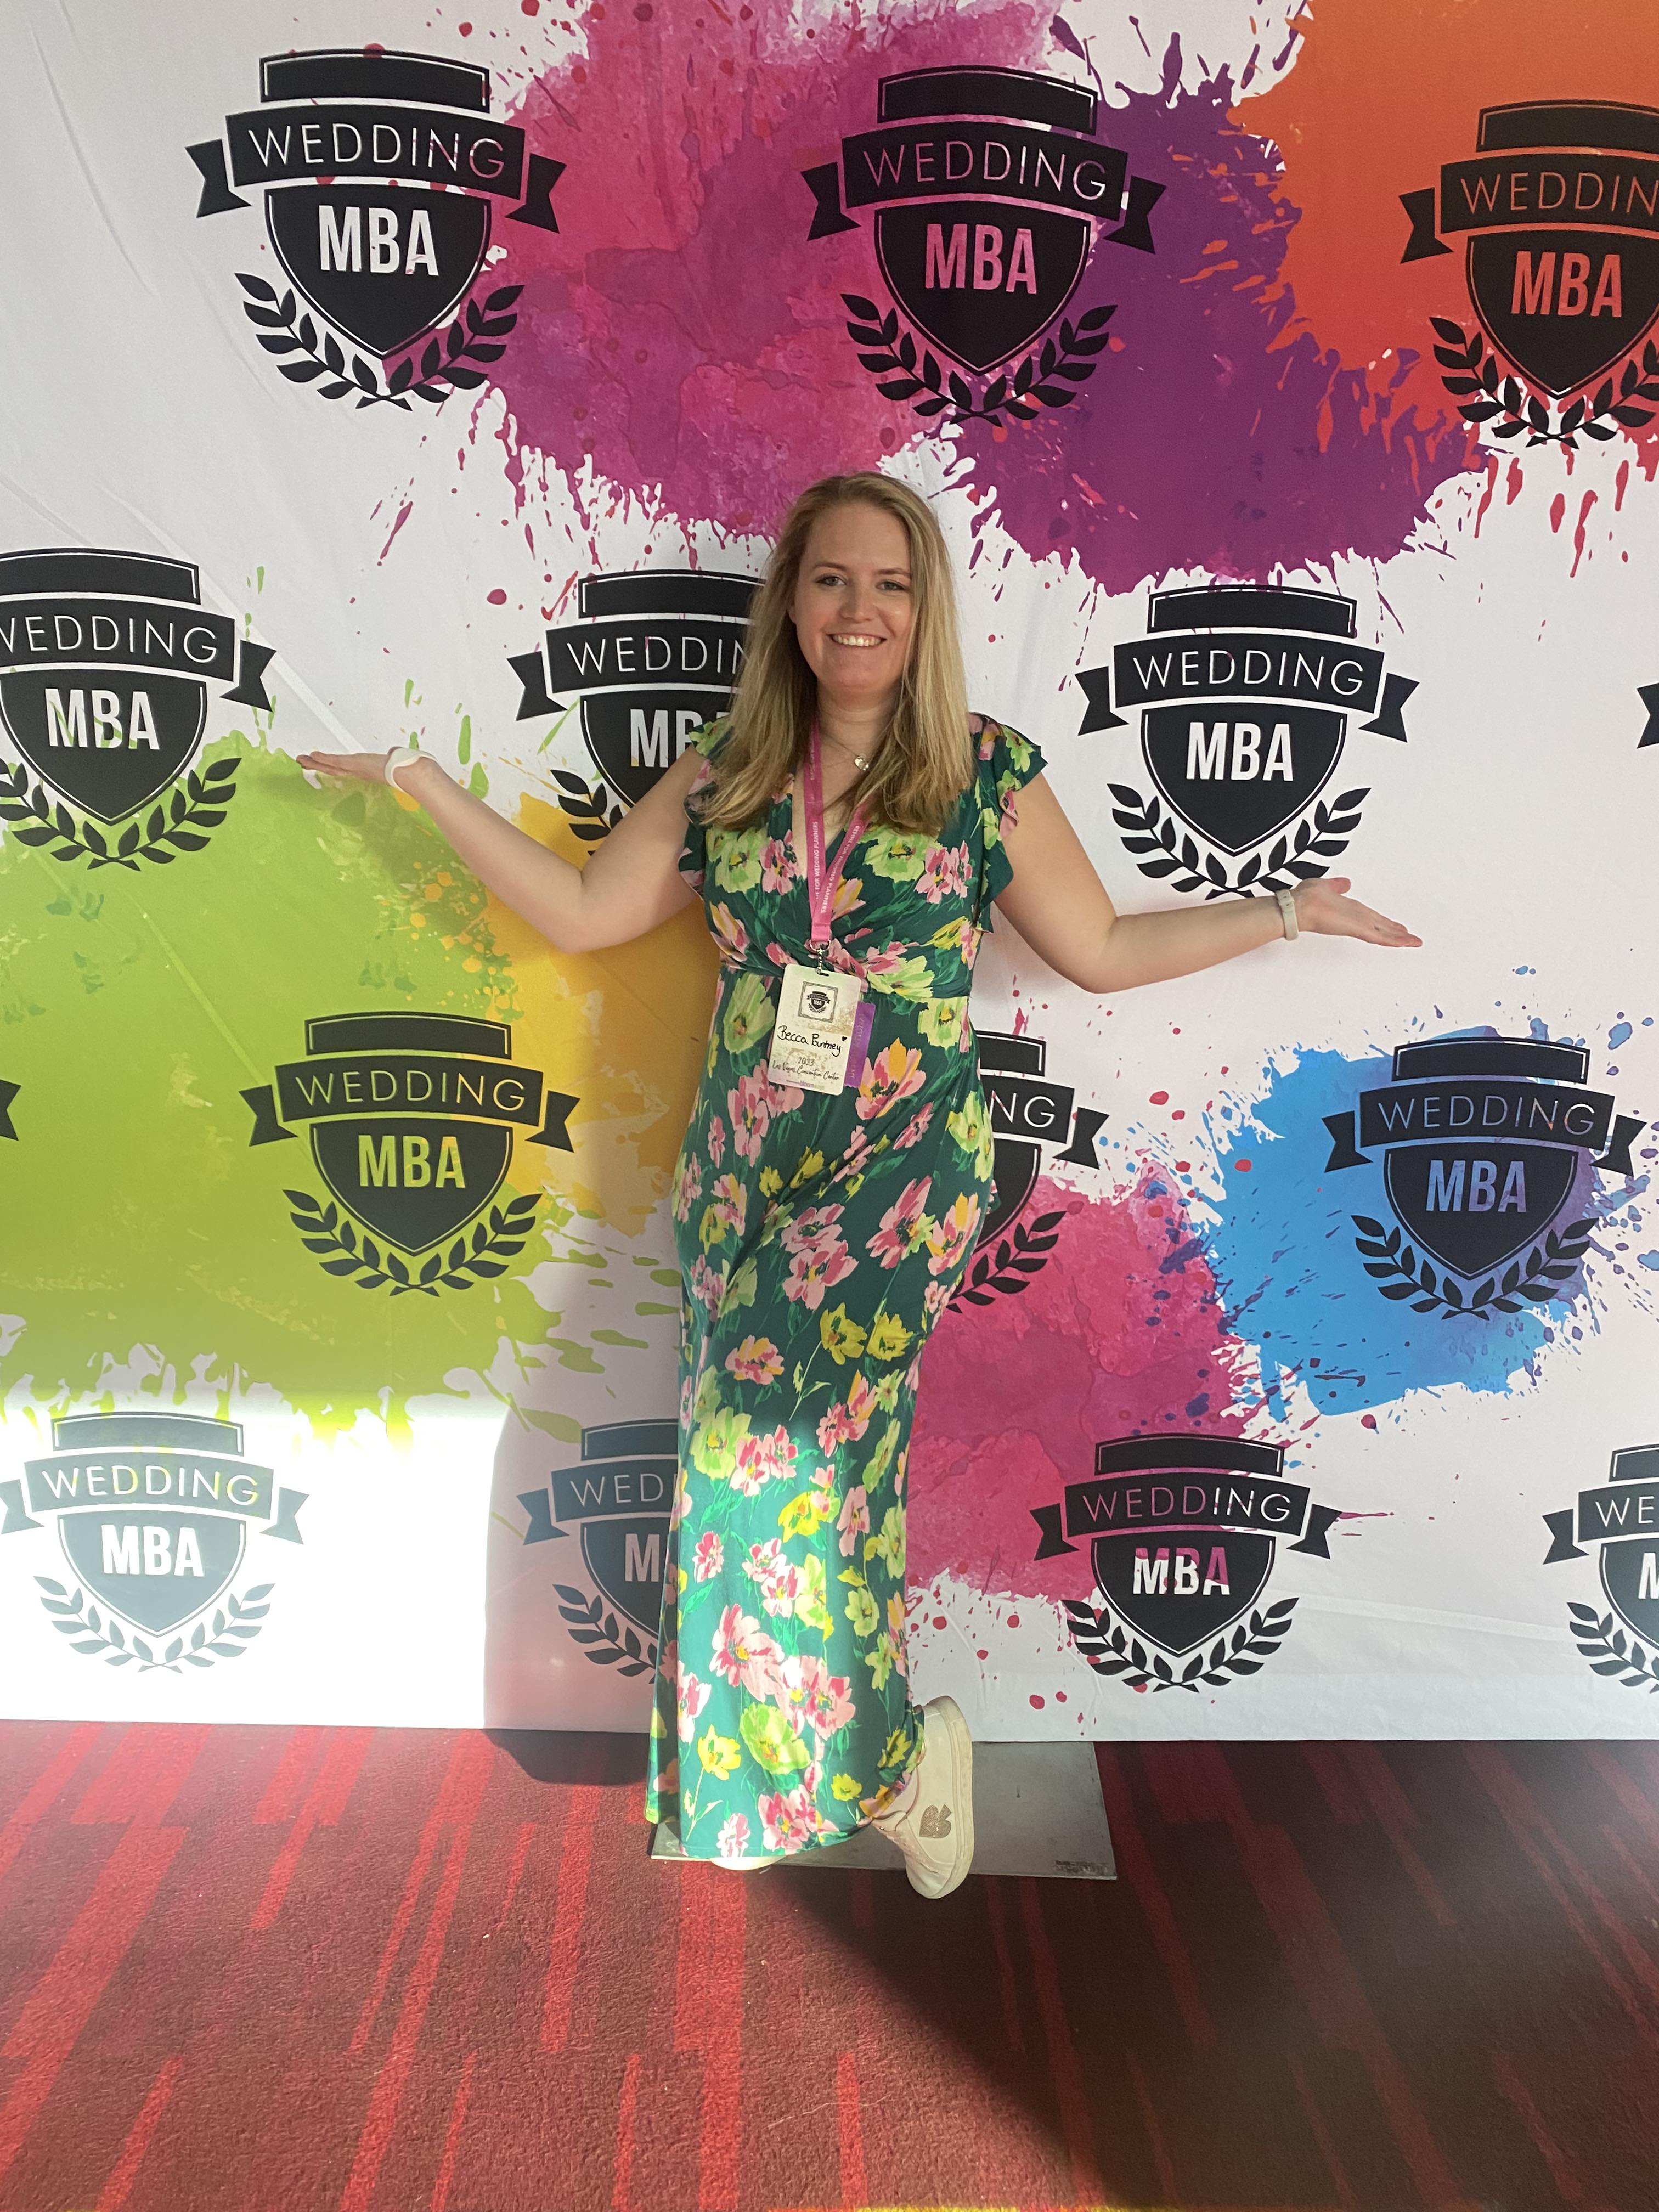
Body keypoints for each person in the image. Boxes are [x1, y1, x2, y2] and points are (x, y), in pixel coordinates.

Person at [299, 470, 1418, 1898]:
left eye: (889, 583)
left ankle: (875, 1764)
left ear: (924, 608)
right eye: (831, 579)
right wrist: (416, 778)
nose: (860, 608)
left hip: (898, 1174)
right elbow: (585, 911)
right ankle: (834, 1773)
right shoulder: (726, 774)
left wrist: (1280, 910)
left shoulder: (978, 772)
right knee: (806, 1480)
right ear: (793, 603)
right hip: (746, 1171)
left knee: (753, 1465)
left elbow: (1100, 950)